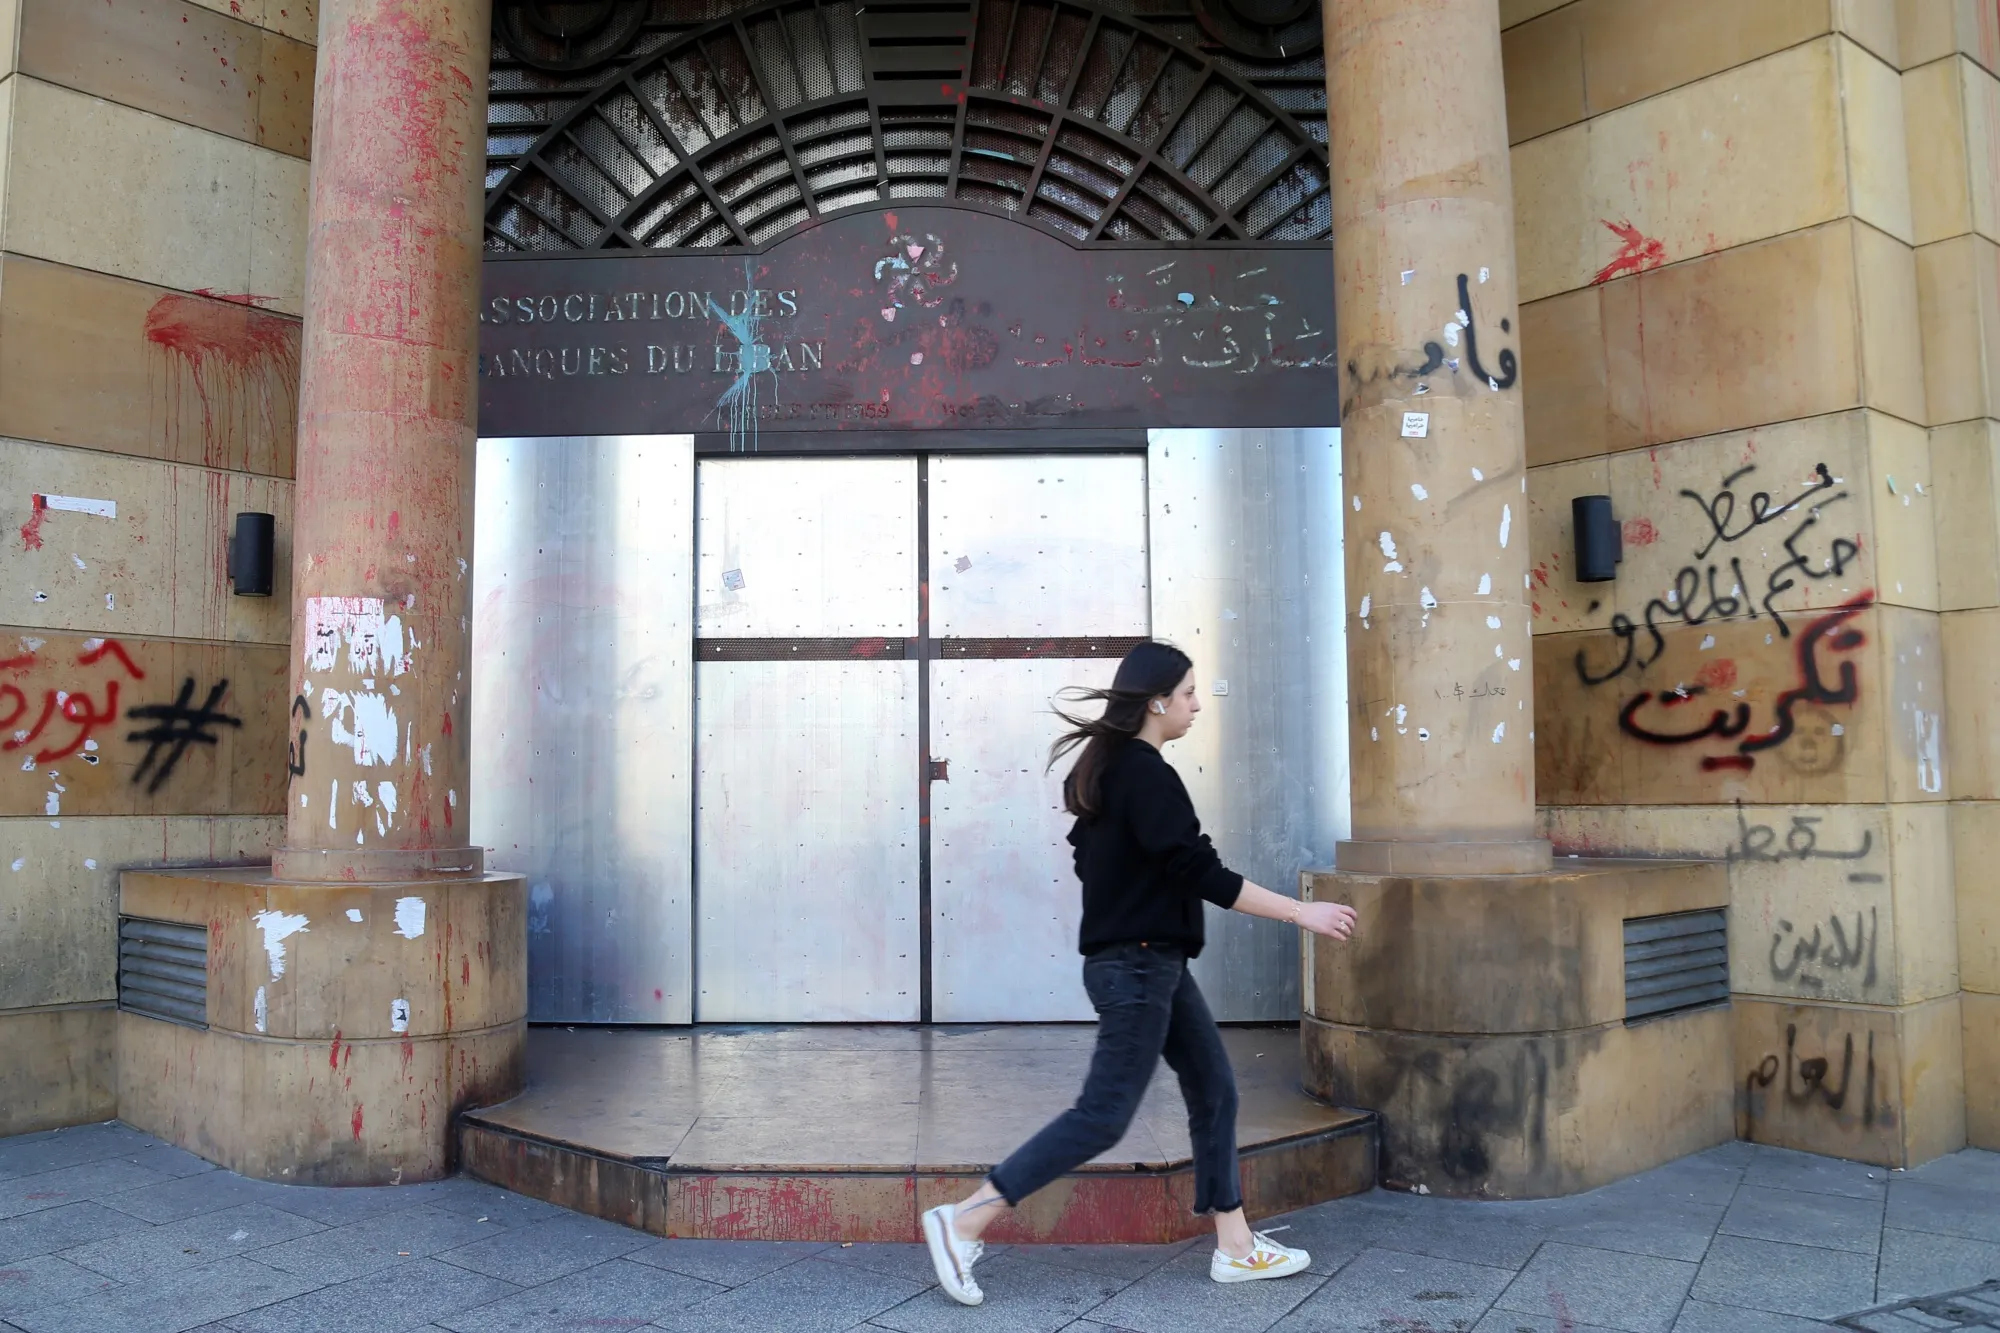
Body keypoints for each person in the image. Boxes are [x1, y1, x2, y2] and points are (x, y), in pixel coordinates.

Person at [921, 640, 1358, 1306]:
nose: (1195, 705)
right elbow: (1199, 870)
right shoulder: (1143, 772)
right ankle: (967, 1218)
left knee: (1214, 1088)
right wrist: (1303, 912)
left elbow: (1100, 860)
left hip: (1153, 960)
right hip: (1138, 964)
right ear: (1156, 701)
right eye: (1187, 694)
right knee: (1104, 1116)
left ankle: (1236, 1246)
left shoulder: (1113, 770)